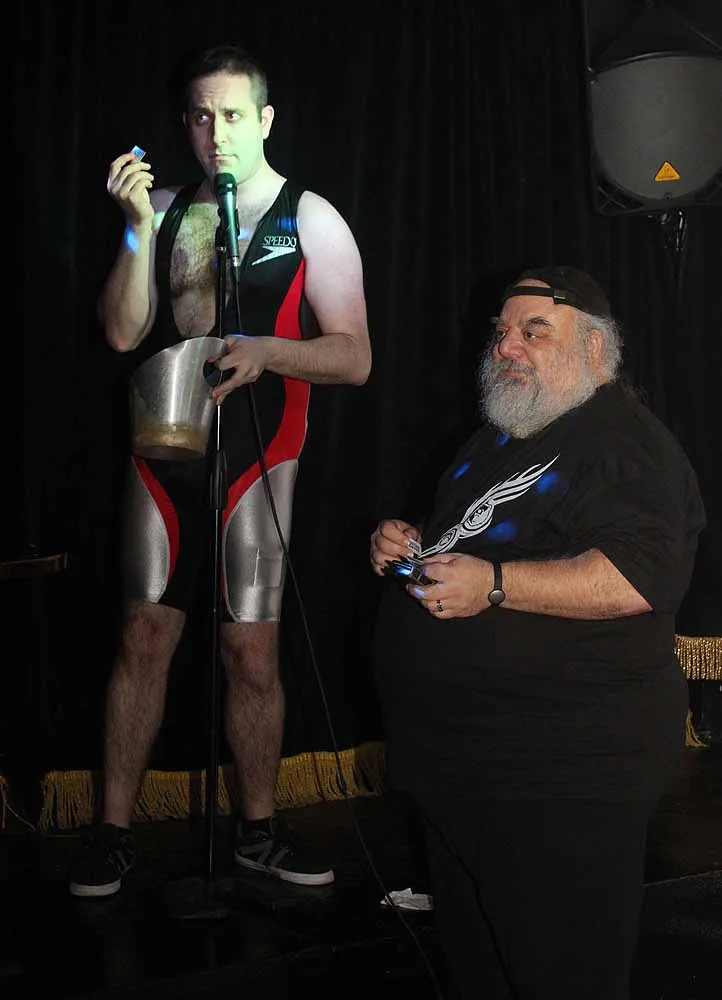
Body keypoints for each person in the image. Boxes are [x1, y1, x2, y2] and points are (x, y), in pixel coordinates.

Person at [68, 43, 371, 897]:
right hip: (165, 444)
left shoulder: (310, 217)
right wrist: (136, 225)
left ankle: (258, 831)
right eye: (202, 117)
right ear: (186, 125)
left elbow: (354, 356)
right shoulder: (164, 209)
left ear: (265, 120)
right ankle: (112, 834)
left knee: (251, 648)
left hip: (260, 453)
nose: (217, 133)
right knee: (143, 635)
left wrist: (270, 350)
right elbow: (122, 332)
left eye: (233, 115)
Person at [369, 266, 705, 1000]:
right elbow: (484, 536)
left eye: (533, 331)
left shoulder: (623, 443)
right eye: (501, 332)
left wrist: (494, 585)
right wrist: (412, 543)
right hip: (470, 772)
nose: (506, 347)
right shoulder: (501, 437)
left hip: (561, 780)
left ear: (594, 349)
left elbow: (636, 579)